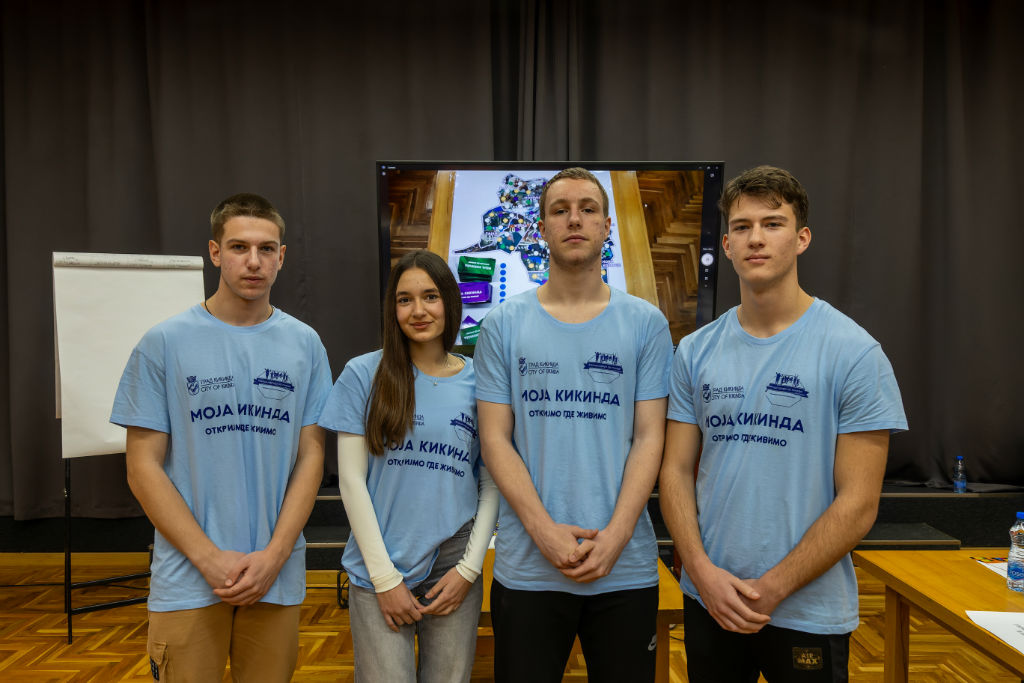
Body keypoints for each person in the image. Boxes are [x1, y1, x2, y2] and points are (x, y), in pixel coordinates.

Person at [659, 165, 908, 681]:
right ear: (726, 246)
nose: (756, 238)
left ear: (802, 238)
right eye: (743, 227)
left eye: (772, 224)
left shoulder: (855, 353)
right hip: (710, 599)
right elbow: (676, 471)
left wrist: (771, 588)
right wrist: (701, 572)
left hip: (807, 611)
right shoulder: (694, 351)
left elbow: (859, 503)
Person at [111, 193, 332, 682]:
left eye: (266, 249)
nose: (253, 261)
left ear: (281, 256)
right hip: (188, 578)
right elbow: (142, 467)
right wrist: (208, 559)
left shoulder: (306, 345)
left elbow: (312, 456)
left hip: (273, 575)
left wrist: (275, 555)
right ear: (215, 252)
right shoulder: (164, 342)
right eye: (238, 247)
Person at [474, 167, 673, 682]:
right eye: (560, 210)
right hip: (528, 567)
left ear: (607, 225)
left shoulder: (646, 323)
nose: (575, 220)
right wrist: (544, 532)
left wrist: (617, 536)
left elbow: (650, 437)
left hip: (624, 567)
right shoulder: (502, 324)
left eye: (588, 209)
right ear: (542, 228)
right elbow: (495, 439)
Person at [317, 249, 498, 683]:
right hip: (380, 557)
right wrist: (384, 579)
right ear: (392, 308)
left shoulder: (482, 381)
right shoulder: (364, 374)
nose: (418, 310)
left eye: (430, 296)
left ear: (450, 302)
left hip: (454, 560)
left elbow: (492, 484)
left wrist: (469, 569)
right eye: (404, 299)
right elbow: (351, 481)